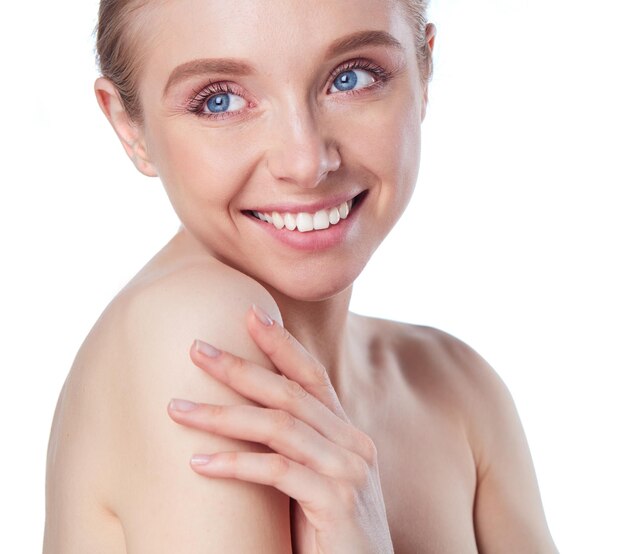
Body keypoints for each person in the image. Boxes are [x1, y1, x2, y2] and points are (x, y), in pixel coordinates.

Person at [43, 0, 559, 552]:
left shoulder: (458, 389)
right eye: (219, 101)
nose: (306, 160)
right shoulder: (189, 334)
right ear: (129, 125)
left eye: (352, 77)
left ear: (423, 72)